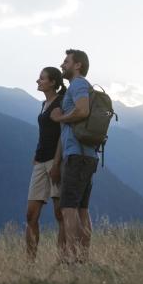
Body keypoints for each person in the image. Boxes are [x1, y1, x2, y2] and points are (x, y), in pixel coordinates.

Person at [50, 49, 98, 263]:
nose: (62, 65)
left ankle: (72, 258)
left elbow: (82, 111)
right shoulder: (80, 85)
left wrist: (59, 118)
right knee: (82, 209)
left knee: (68, 208)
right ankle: (83, 259)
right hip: (86, 155)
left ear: (77, 65)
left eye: (66, 61)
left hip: (77, 156)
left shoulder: (78, 84)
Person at [25, 67, 66, 261]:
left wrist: (57, 164)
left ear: (52, 82)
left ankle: (62, 261)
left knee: (60, 215)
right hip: (40, 162)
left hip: (55, 162)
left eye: (41, 79)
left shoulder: (60, 103)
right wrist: (36, 155)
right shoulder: (44, 104)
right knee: (30, 216)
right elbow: (45, 134)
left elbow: (62, 137)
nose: (38, 81)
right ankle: (30, 263)